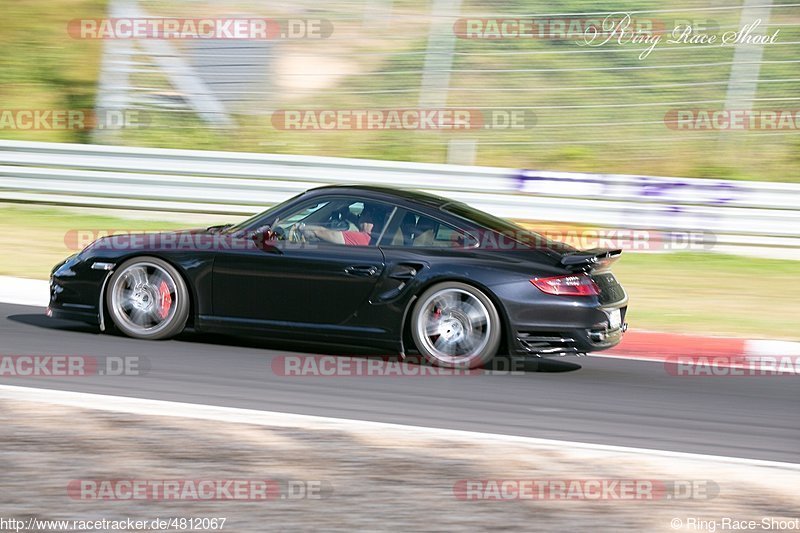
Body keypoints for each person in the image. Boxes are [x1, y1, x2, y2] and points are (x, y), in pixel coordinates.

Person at [303, 210, 375, 246]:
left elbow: (325, 233)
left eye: (363, 214)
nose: (360, 217)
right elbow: (356, 220)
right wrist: (346, 213)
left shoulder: (363, 237)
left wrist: (301, 227)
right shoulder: (375, 239)